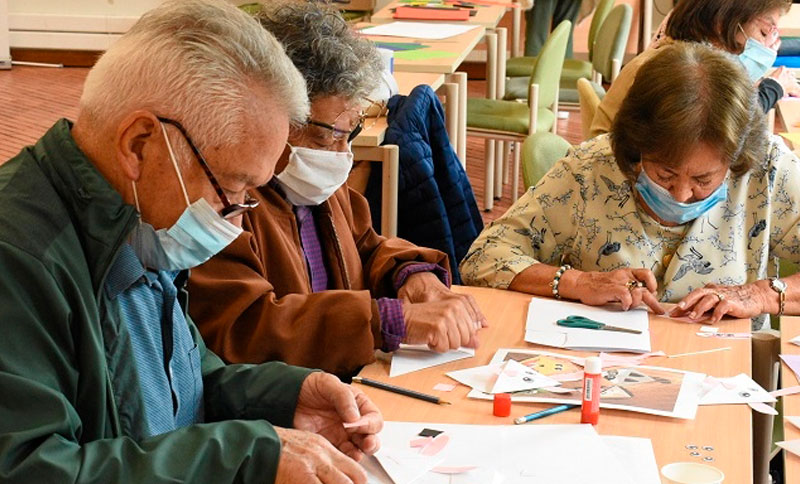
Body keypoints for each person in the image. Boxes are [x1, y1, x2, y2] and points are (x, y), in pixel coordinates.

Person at [0, 1, 382, 483]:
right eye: (233, 186)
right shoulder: (18, 257)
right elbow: (28, 469)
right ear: (140, 144)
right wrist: (243, 456)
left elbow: (188, 386)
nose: (236, 215)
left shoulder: (140, 222)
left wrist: (288, 397)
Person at [188, 1, 487, 379]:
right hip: (288, 396)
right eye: (326, 137)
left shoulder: (317, 185)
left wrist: (412, 274)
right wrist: (386, 320)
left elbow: (366, 246)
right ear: (270, 118)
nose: (342, 154)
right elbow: (244, 327)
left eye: (350, 134)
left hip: (343, 378)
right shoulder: (225, 200)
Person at [460, 41, 800, 330]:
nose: (681, 195)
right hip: (597, 365)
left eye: (703, 180)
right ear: (636, 148)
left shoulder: (767, 169)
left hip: (727, 370)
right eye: (665, 174)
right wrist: (578, 282)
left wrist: (763, 294)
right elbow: (484, 257)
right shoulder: (592, 170)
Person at [591, 0, 800, 138]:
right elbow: (727, 135)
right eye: (764, 32)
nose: (766, 47)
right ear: (722, 22)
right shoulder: (680, 73)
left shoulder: (682, 54)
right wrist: (773, 88)